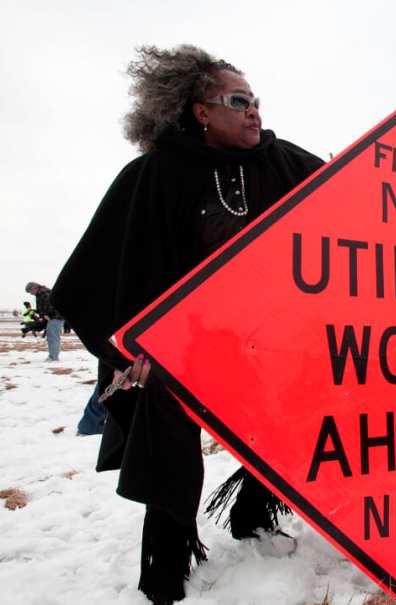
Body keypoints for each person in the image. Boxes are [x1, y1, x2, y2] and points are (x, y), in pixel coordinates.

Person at [51, 45, 325, 604]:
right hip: (182, 347)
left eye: (256, 101)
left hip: (265, 343)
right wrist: (134, 343)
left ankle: (252, 517)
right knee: (171, 451)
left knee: (278, 430)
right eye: (239, 100)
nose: (254, 112)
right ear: (201, 110)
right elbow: (104, 269)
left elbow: (357, 195)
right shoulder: (155, 173)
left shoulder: (283, 162)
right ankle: (166, 566)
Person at [26, 282, 64, 361]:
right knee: (52, 336)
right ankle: (53, 356)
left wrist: (47, 315)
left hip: (55, 317)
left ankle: (53, 357)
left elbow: (50, 305)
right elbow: (42, 307)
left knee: (53, 336)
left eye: (30, 292)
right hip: (53, 316)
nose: (31, 294)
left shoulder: (44, 293)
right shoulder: (41, 293)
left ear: (34, 288)